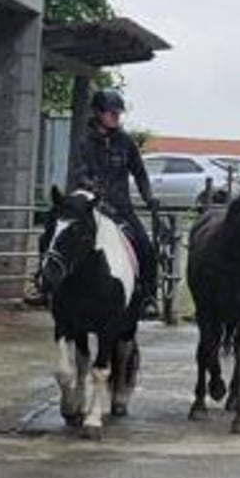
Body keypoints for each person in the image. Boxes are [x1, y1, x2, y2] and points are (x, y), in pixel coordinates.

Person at [71, 89, 160, 319]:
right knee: (65, 240)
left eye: (118, 113)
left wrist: (148, 196)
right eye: (112, 113)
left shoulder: (125, 142)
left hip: (122, 208)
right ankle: (50, 288)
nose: (116, 117)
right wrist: (93, 188)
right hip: (95, 207)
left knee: (146, 248)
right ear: (98, 112)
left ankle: (149, 296)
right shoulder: (85, 142)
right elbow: (80, 174)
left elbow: (140, 173)